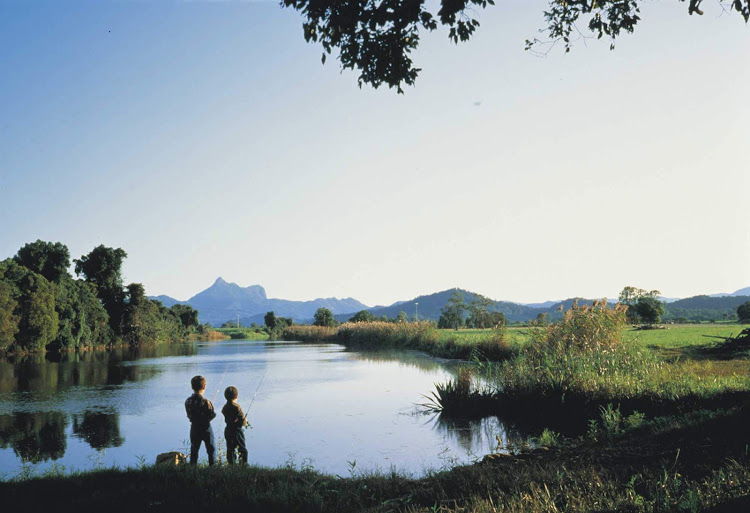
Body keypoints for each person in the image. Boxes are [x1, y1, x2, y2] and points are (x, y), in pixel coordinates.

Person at [184, 375, 217, 465]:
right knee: (211, 449)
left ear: (192, 387)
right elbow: (212, 415)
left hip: (194, 428)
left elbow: (189, 415)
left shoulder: (188, 401)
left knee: (194, 449)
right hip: (206, 428)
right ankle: (213, 468)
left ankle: (192, 468)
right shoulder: (206, 402)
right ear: (204, 387)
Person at [221, 385, 249, 465]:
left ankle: (231, 465)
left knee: (230, 449)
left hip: (228, 430)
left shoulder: (224, 407)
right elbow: (242, 421)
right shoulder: (237, 407)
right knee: (242, 450)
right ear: (236, 396)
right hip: (237, 431)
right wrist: (245, 421)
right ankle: (243, 466)